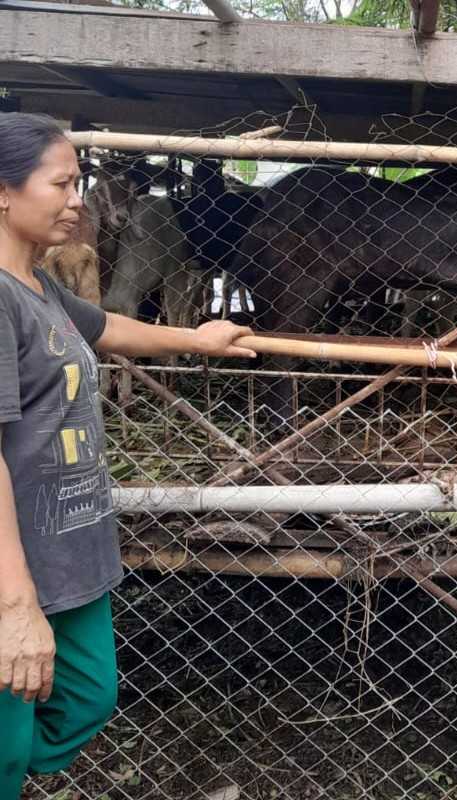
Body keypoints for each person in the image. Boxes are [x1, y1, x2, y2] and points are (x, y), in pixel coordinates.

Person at [0, 112, 256, 797]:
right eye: (61, 184)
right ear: (3, 192)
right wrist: (14, 604)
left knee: (87, 695)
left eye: (77, 183)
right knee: (6, 740)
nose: (77, 201)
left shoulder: (38, 287)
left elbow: (106, 325)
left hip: (68, 550)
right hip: (12, 563)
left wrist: (196, 340)